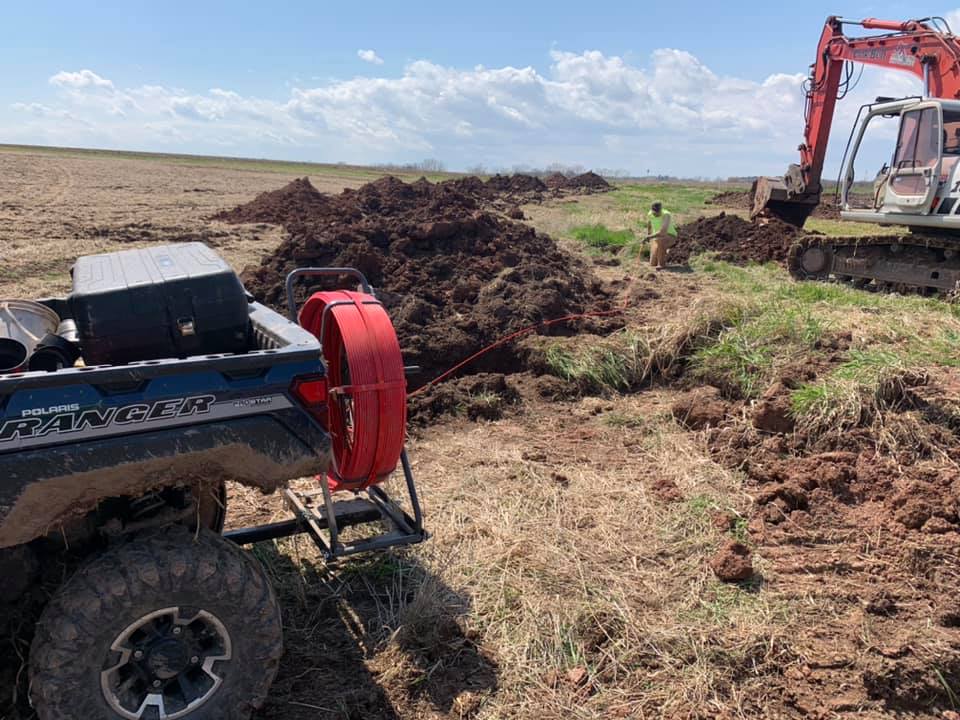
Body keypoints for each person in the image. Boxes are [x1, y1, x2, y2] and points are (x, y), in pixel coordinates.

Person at [644, 201, 678, 269]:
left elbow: (663, 232)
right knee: (652, 263)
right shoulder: (650, 213)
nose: (656, 213)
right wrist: (648, 233)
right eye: (654, 211)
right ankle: (663, 254)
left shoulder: (666, 215)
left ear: (661, 209)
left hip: (670, 236)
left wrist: (650, 237)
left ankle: (661, 264)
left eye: (658, 211)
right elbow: (649, 222)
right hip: (657, 236)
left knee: (660, 240)